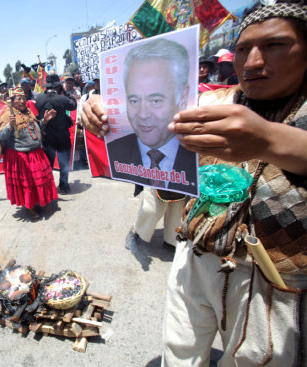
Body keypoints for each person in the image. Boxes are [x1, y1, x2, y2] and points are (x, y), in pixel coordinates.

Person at [83, 1, 307, 364]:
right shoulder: (213, 102)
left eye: (274, 46)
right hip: (196, 258)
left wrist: (269, 140)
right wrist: (94, 103)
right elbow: (141, 104)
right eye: (242, 49)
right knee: (180, 351)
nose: (252, 62)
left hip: (276, 284)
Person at [106, 38, 197, 195]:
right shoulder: (114, 150)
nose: (143, 115)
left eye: (155, 100)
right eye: (134, 100)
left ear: (182, 97)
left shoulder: (202, 151)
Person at [0, 87, 58, 220]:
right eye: (19, 99)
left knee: (41, 180)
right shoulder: (8, 115)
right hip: (21, 156)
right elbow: (2, 137)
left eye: (24, 98)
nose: (23, 101)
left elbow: (35, 130)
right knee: (28, 184)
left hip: (36, 153)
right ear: (12, 101)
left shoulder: (28, 112)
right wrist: (10, 126)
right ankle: (30, 207)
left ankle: (42, 201)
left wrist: (44, 121)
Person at [35, 74, 77, 194]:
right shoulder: (61, 98)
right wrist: (67, 93)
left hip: (47, 136)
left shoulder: (39, 99)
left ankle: (47, 187)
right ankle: (63, 186)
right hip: (62, 136)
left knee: (48, 164)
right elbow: (73, 105)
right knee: (63, 162)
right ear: (58, 86)